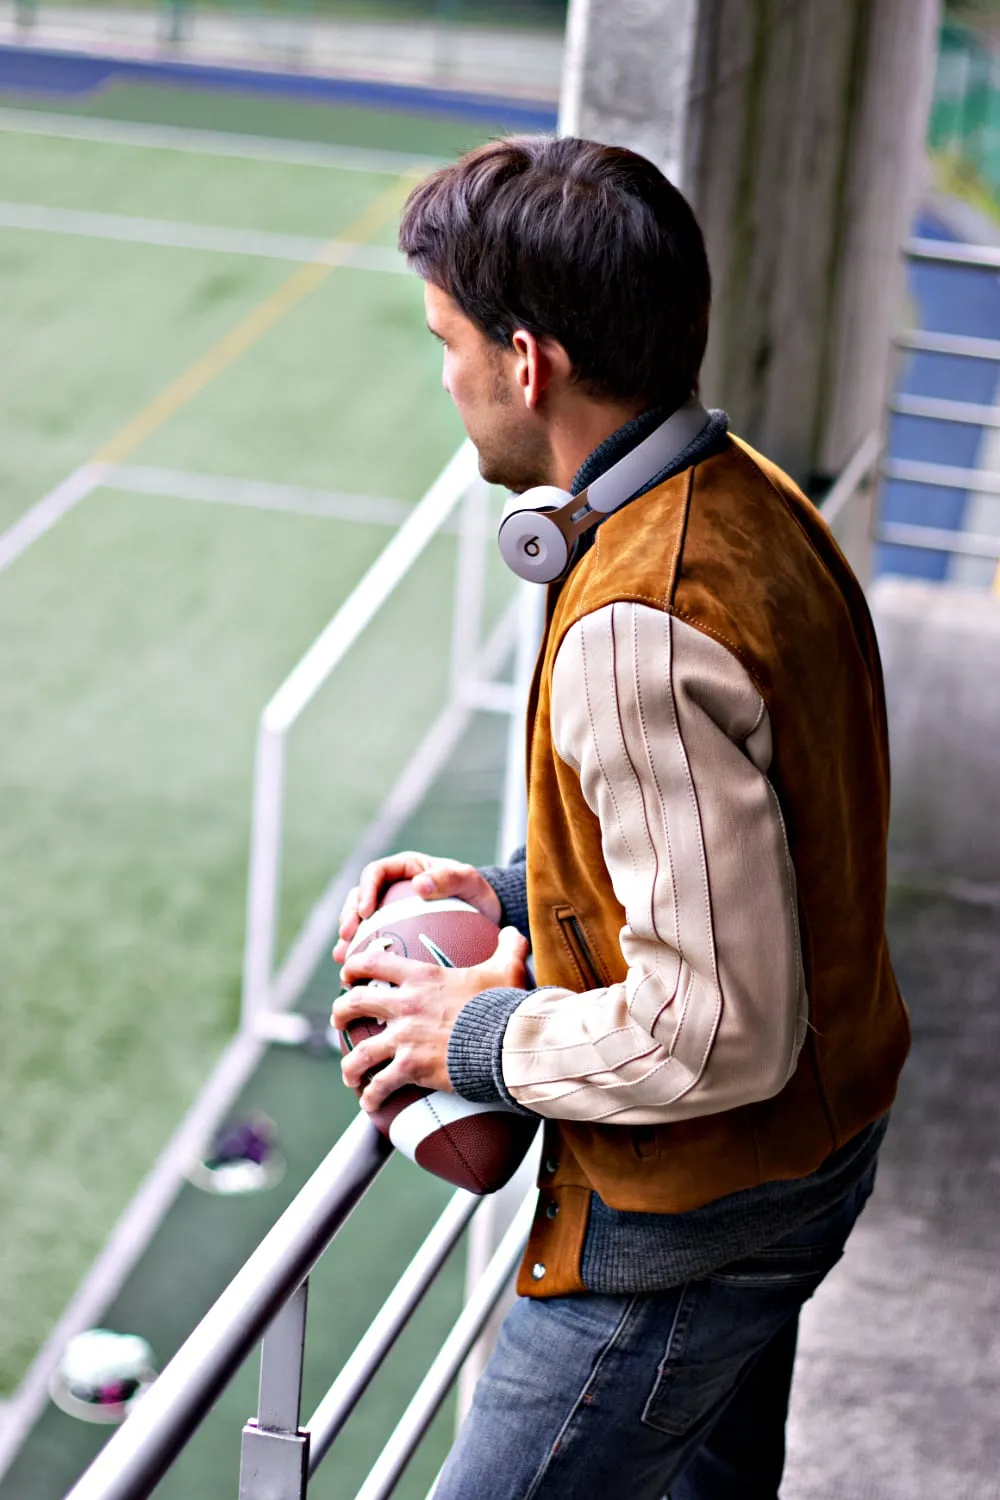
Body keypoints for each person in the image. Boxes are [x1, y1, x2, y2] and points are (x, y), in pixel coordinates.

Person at [331, 137, 910, 1500]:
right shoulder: (753, 500)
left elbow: (713, 1027)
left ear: (527, 366)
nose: (448, 378)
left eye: (448, 342)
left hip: (690, 1233)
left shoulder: (636, 624)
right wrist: (517, 893)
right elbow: (749, 846)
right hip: (816, 1157)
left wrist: (463, 1033)